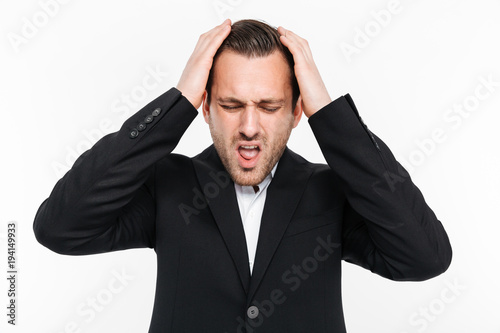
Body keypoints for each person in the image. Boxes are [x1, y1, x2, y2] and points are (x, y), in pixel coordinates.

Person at [33, 18, 452, 332]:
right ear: (206, 108)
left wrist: (328, 111)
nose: (250, 126)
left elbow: (425, 257)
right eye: (232, 105)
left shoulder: (331, 191)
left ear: (295, 112)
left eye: (269, 107)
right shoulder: (169, 185)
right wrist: (176, 101)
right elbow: (59, 227)